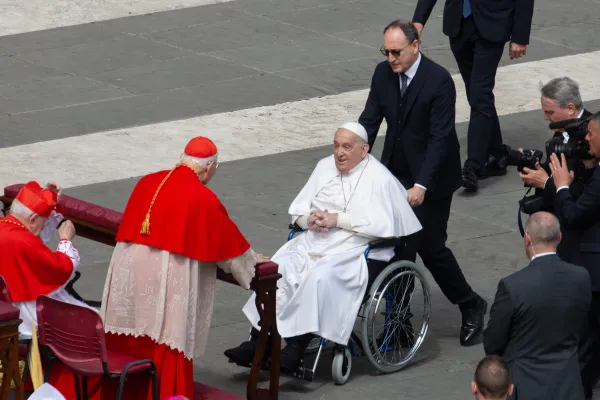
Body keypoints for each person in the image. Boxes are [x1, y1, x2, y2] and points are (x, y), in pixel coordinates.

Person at [50, 136, 267, 400]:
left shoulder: (148, 182)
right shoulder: (202, 197)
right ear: (209, 169)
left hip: (129, 272)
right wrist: (252, 262)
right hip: (169, 274)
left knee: (128, 330)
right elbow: (227, 243)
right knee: (165, 332)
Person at [224, 122, 422, 373]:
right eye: (337, 146)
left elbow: (385, 225)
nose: (339, 153)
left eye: (347, 147)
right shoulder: (324, 167)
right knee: (281, 267)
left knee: (319, 276)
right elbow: (298, 211)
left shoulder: (379, 178)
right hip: (314, 240)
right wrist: (310, 219)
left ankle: (296, 348)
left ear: (364, 149)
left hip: (356, 249)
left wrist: (337, 220)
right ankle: (260, 339)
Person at [358, 19, 486, 346]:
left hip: (433, 179)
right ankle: (400, 323)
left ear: (415, 46)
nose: (391, 58)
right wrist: (351, 154)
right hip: (396, 173)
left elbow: (440, 139)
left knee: (428, 246)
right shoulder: (382, 74)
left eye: (396, 52)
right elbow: (369, 121)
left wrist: (422, 186)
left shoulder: (439, 81)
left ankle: (470, 303)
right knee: (397, 245)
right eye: (386, 52)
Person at [412, 0, 535, 190]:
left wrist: (520, 35)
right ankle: (497, 153)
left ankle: (474, 164)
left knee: (479, 94)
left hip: (494, 21)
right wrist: (419, 20)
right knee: (477, 95)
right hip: (458, 23)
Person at [483, 212, 591, 400]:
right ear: (559, 237)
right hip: (568, 384)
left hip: (525, 386)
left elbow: (493, 341)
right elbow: (581, 323)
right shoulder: (581, 277)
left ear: (527, 239)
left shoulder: (512, 286)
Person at [0, 180, 91, 340]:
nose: (44, 228)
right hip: (24, 319)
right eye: (43, 224)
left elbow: (36, 237)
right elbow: (60, 268)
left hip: (5, 307)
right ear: (33, 219)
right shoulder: (23, 241)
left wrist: (49, 198)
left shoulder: (8, 227)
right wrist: (65, 240)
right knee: (90, 322)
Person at [549, 111, 600, 399]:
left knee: (585, 346)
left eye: (591, 133)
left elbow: (574, 214)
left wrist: (561, 185)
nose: (586, 138)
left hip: (594, 275)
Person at [518, 77, 594, 262]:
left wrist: (545, 182)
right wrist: (535, 169)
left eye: (549, 112)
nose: (546, 118)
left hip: (579, 231)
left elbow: (585, 190)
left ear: (569, 108)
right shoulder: (563, 128)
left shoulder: (591, 138)